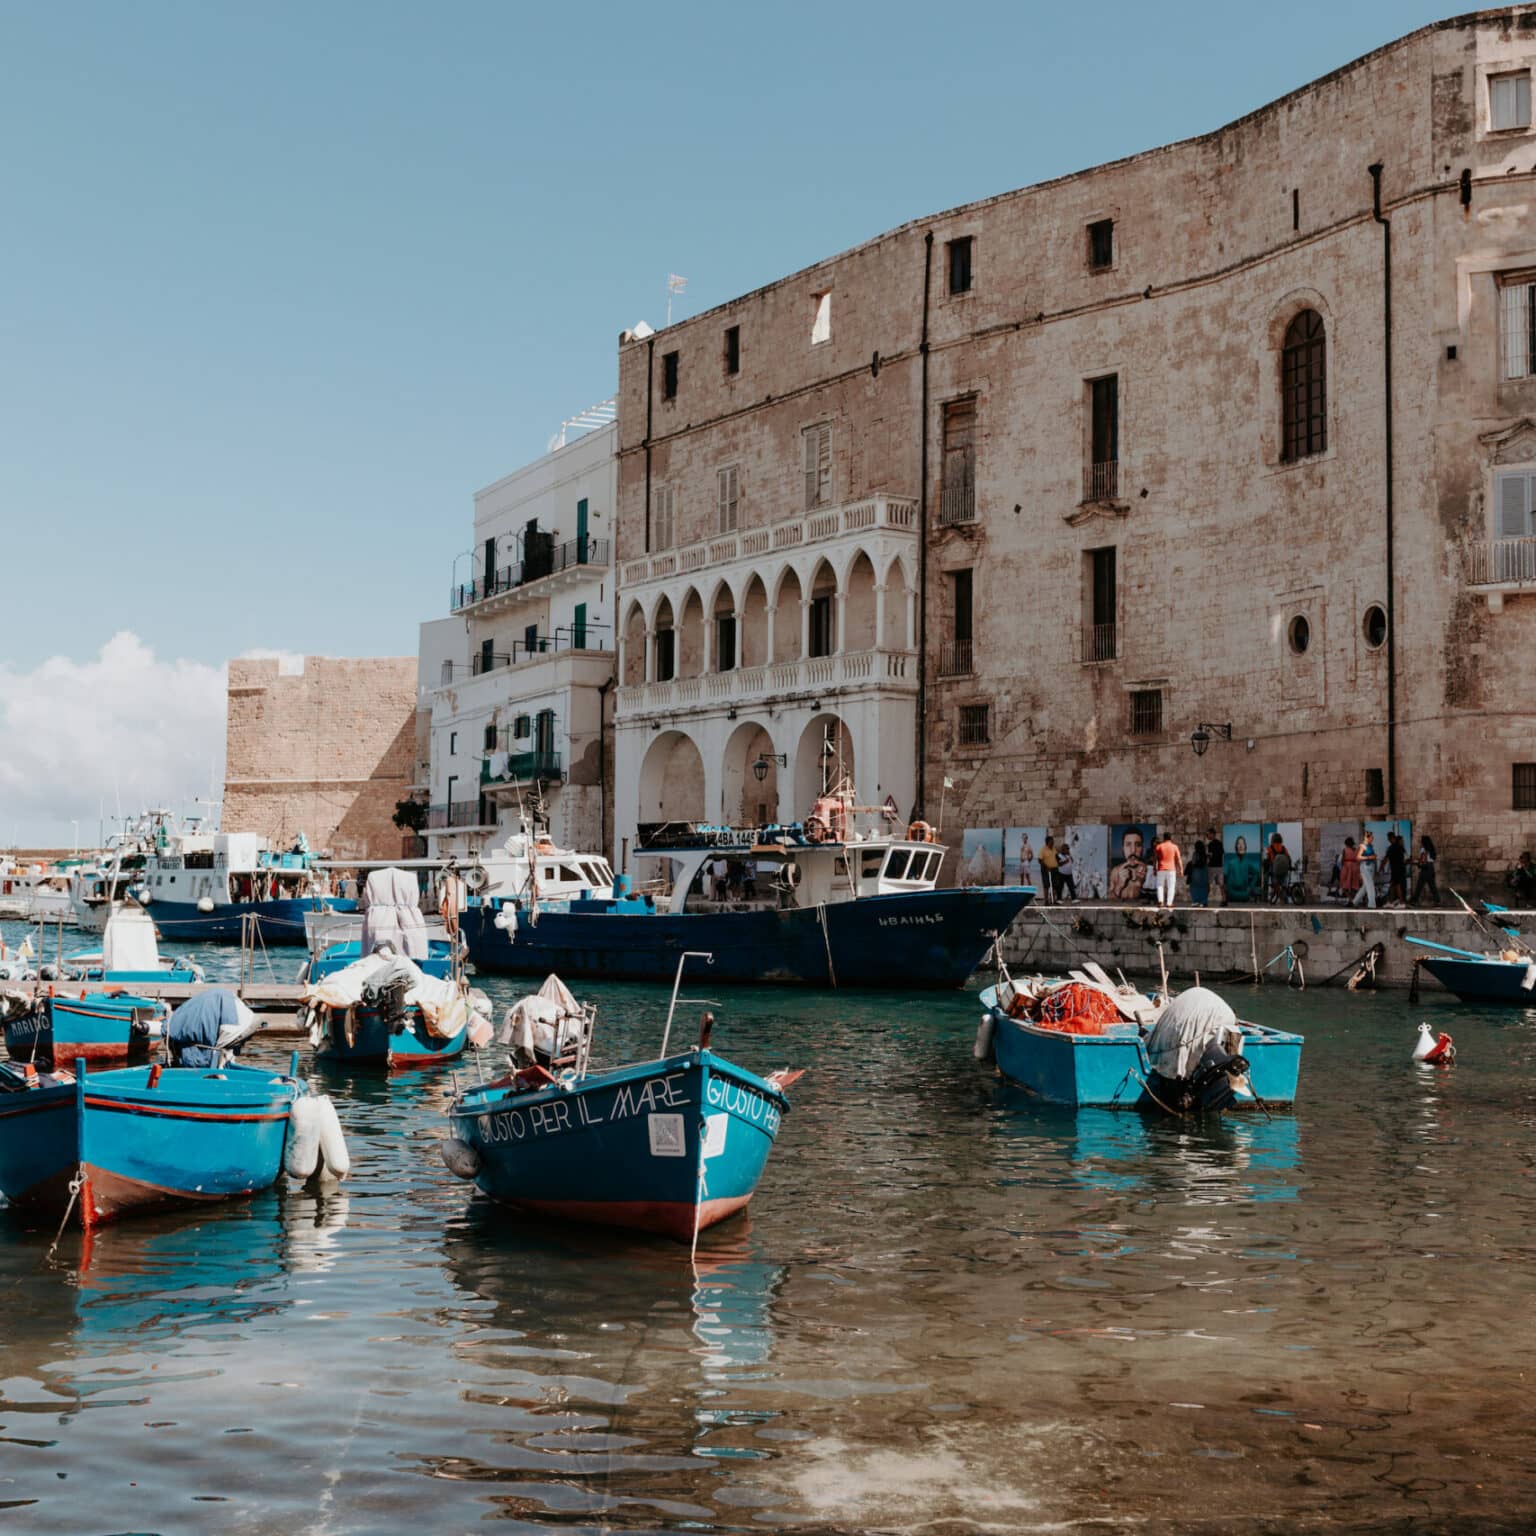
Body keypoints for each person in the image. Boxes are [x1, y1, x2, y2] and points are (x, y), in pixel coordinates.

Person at [1107, 828, 1149, 901]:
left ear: (1142, 849)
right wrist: (1119, 885)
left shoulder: (1148, 871)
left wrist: (1141, 884)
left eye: (1138, 845)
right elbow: (1109, 899)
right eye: (1128, 844)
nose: (1133, 850)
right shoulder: (1116, 871)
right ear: (1122, 848)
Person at [1223, 834, 1256, 903]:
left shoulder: (1247, 863)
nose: (1240, 846)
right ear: (1236, 847)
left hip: (1244, 893)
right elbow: (1229, 887)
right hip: (1236, 894)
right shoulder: (1231, 863)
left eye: (1242, 844)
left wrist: (1251, 886)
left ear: (1245, 847)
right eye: (1238, 844)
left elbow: (1256, 874)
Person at [1153, 832, 1183, 907]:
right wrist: (1181, 869)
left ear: (1164, 838)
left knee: (1160, 885)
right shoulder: (1174, 847)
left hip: (1161, 868)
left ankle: (1160, 901)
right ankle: (1169, 903)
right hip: (1171, 869)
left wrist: (1154, 868)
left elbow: (1155, 859)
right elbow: (1178, 859)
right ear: (1171, 838)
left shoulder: (1159, 846)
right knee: (1171, 886)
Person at [1411, 834, 1439, 907]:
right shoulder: (1431, 849)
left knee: (1419, 886)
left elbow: (1423, 859)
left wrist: (1416, 862)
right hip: (1431, 867)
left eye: (1421, 841)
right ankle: (1437, 901)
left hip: (1425, 868)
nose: (1420, 842)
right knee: (1432, 885)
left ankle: (1414, 901)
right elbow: (1432, 859)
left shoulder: (1423, 849)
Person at [1352, 831, 1378, 909]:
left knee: (1365, 887)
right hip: (1365, 866)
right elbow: (1358, 857)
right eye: (1371, 837)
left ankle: (1355, 901)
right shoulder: (1362, 846)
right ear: (1367, 837)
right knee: (1370, 885)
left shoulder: (1370, 846)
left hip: (1371, 867)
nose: (1372, 839)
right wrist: (1369, 857)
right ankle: (1372, 904)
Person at [1385, 833, 1408, 908]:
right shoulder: (1400, 847)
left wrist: (1380, 869)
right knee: (1392, 885)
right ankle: (1391, 902)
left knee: (1397, 885)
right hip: (1398, 869)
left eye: (1389, 839)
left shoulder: (1392, 848)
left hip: (1396, 869)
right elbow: (1404, 859)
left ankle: (1401, 902)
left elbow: (1386, 859)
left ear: (1391, 838)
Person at [1267, 834, 1292, 904]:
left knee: (1275, 884)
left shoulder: (1270, 848)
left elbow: (1268, 859)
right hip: (1284, 870)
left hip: (1274, 870)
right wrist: (1289, 866)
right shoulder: (1283, 848)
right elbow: (1288, 858)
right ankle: (1284, 898)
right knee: (1284, 885)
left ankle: (1273, 899)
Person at [1187, 840, 1210, 906]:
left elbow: (1194, 862)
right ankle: (1204, 902)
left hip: (1196, 872)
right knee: (1204, 887)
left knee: (1194, 887)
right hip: (1204, 872)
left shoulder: (1195, 853)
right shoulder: (1205, 854)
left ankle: (1196, 901)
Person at [1204, 828, 1225, 903]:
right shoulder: (1220, 843)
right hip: (1219, 866)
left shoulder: (1210, 845)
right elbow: (1222, 853)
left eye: (1208, 834)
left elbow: (1210, 856)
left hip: (1212, 866)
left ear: (1212, 834)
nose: (1207, 835)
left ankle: (1204, 900)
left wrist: (1208, 855)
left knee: (1208, 884)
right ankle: (1224, 899)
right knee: (1221, 884)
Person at [1038, 836, 1060, 904]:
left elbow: (1056, 857)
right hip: (1046, 869)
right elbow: (1040, 860)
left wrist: (1059, 862)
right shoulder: (1043, 850)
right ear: (1047, 842)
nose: (1053, 842)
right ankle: (1046, 901)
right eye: (1051, 841)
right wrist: (1046, 867)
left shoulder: (1054, 849)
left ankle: (1053, 900)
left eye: (1053, 841)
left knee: (1055, 885)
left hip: (1055, 869)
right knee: (1046, 885)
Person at [1339, 837, 1361, 903]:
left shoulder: (1345, 850)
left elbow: (1342, 860)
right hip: (1355, 867)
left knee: (1344, 885)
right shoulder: (1357, 850)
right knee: (1354, 886)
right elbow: (1358, 859)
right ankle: (1352, 900)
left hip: (1347, 867)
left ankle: (1351, 900)